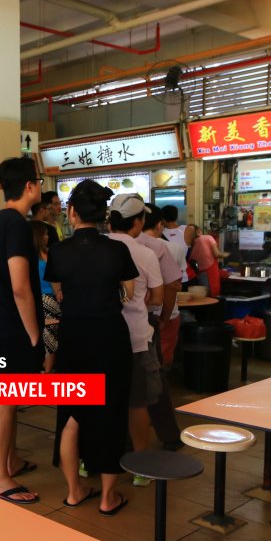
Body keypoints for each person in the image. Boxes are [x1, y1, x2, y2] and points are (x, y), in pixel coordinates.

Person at [46, 180, 138, 516]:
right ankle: (108, 497)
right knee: (111, 413)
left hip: (73, 337)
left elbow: (58, 295)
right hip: (110, 337)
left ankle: (74, 491)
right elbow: (129, 292)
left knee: (70, 415)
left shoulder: (58, 251)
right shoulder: (117, 250)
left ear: (71, 212)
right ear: (103, 215)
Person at [0, 156, 45, 504]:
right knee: (6, 400)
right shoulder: (18, 226)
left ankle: (12, 460)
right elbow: (21, 286)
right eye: (38, 181)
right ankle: (0, 478)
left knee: (9, 397)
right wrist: (35, 336)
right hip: (15, 326)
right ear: (29, 186)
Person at [106, 195, 167, 456]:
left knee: (102, 401)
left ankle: (96, 459)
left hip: (101, 339)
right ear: (139, 223)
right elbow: (158, 298)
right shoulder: (145, 254)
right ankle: (140, 464)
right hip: (137, 338)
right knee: (138, 402)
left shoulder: (96, 248)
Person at [136, 207, 185, 449]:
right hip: (145, 321)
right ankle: (169, 437)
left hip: (111, 324)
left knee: (121, 383)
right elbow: (173, 285)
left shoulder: (108, 245)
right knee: (153, 379)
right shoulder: (156, 247)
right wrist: (164, 317)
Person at [138, 207, 183, 368]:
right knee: (161, 361)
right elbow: (173, 286)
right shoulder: (171, 248)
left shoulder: (125, 245)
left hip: (136, 315)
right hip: (164, 313)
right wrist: (164, 318)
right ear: (159, 225)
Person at [30, 222, 61, 373]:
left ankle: (42, 370)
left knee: (44, 336)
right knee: (51, 337)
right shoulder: (50, 255)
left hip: (34, 300)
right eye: (45, 234)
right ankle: (48, 372)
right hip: (51, 299)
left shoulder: (27, 257)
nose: (48, 237)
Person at [190, 226, 230, 294]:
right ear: (199, 231)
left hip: (199, 275)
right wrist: (228, 255)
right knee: (212, 297)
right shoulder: (208, 237)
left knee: (204, 298)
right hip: (210, 274)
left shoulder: (192, 244)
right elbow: (217, 254)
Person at [159, 205, 194, 283]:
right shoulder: (189, 229)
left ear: (163, 219)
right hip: (183, 275)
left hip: (166, 276)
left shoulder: (159, 233)